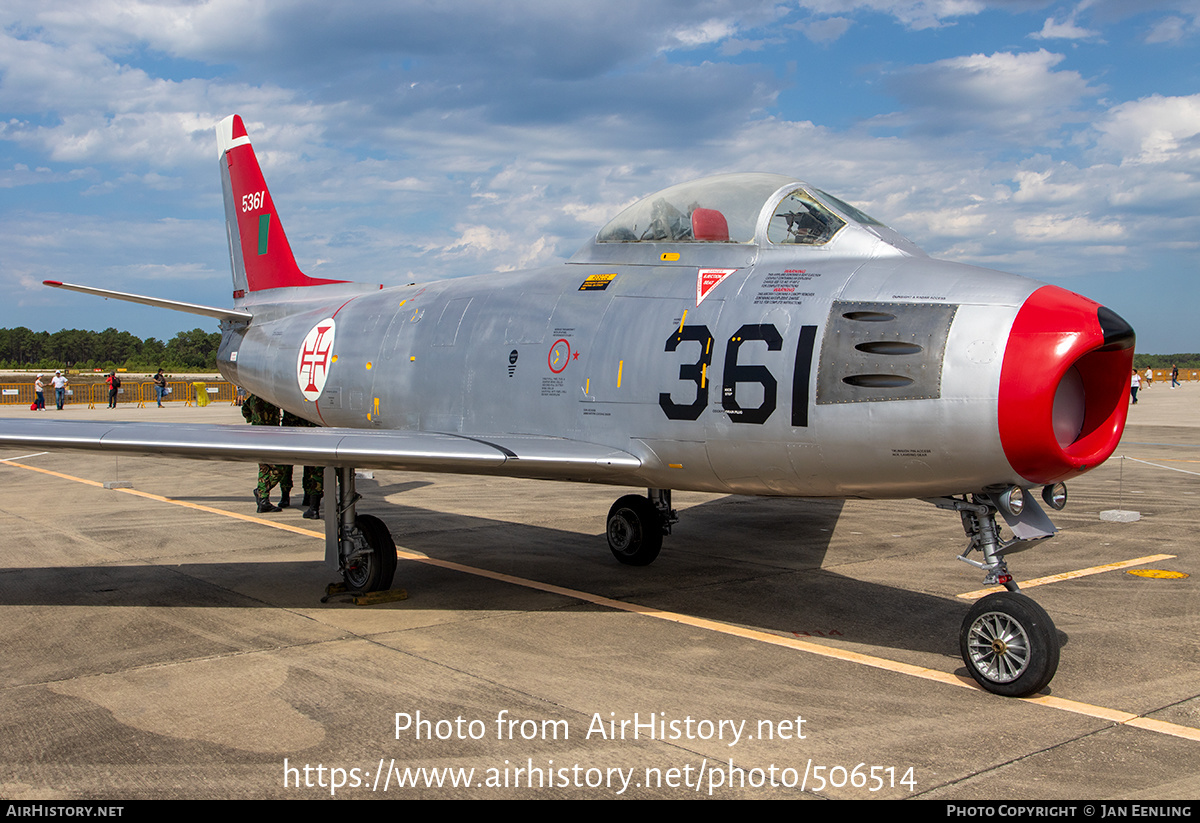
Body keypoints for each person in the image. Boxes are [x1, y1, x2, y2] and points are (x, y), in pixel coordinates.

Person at [242, 394, 284, 512]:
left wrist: (253, 420)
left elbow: (244, 410)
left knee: (264, 468)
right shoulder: (272, 396)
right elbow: (245, 409)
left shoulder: (256, 396)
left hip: (261, 435)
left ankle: (263, 501)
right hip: (267, 436)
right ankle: (261, 493)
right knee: (279, 468)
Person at [282, 410, 323, 518]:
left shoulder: (289, 398)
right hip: (310, 433)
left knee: (288, 465)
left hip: (291, 432)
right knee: (312, 468)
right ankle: (309, 498)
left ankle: (286, 497)